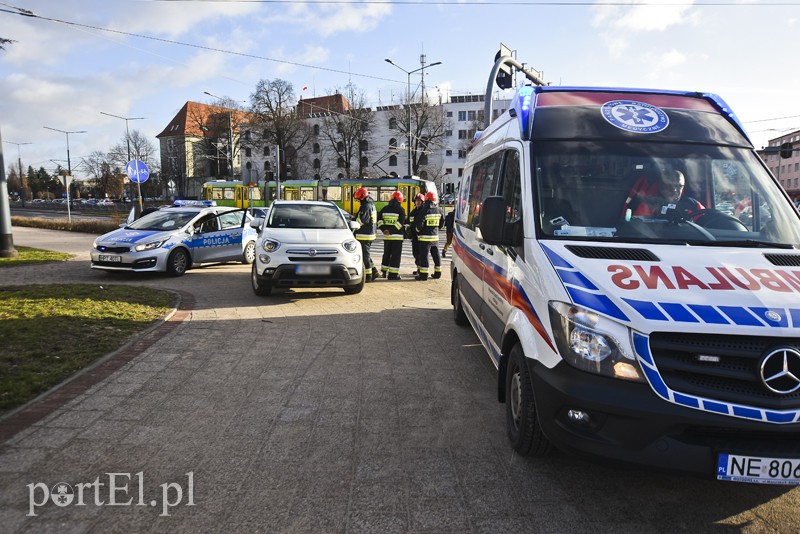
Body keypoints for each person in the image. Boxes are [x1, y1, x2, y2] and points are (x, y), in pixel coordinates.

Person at [632, 170, 704, 219]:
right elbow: (639, 228)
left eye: (679, 186)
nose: (674, 190)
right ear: (661, 185)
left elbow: (708, 220)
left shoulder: (693, 205)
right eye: (669, 185)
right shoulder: (648, 204)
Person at [414, 191, 443, 281]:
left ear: (425, 199)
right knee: (436, 255)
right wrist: (436, 229)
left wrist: (417, 231)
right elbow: (442, 223)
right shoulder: (439, 210)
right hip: (435, 237)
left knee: (424, 256)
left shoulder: (424, 211)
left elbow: (419, 225)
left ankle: (424, 275)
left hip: (425, 238)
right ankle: (438, 273)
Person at [377, 190, 406, 281]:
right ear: (400, 200)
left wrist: (385, 230)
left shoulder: (384, 209)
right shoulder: (401, 210)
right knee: (395, 256)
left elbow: (379, 221)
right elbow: (400, 223)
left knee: (386, 254)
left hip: (387, 237)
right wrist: (391, 231)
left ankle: (384, 272)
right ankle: (393, 275)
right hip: (397, 237)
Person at [353, 187, 380, 282]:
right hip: (370, 234)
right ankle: (375, 272)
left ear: (362, 197)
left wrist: (354, 225)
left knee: (365, 256)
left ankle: (368, 276)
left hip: (364, 234)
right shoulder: (370, 204)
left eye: (358, 199)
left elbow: (362, 220)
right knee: (366, 254)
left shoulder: (366, 206)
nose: (357, 201)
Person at [406, 193, 424, 276]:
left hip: (421, 237)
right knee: (415, 253)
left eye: (419, 201)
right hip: (414, 237)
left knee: (421, 253)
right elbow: (409, 221)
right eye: (416, 201)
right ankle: (418, 268)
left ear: (422, 202)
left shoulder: (423, 211)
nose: (418, 202)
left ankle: (421, 270)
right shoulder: (413, 212)